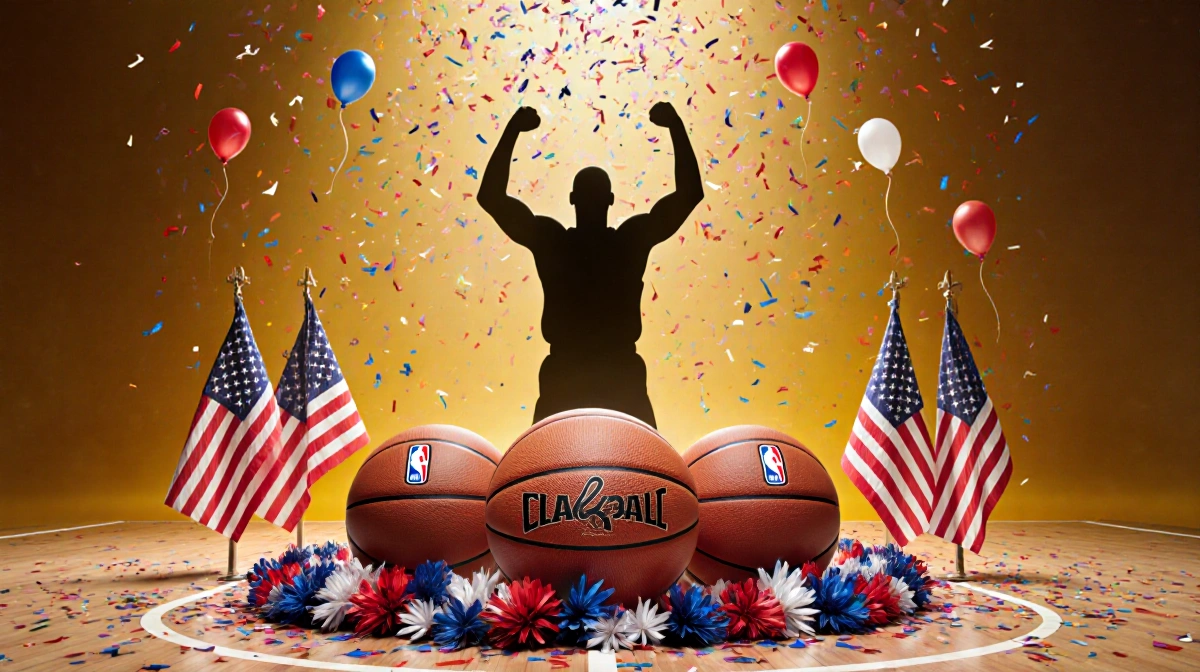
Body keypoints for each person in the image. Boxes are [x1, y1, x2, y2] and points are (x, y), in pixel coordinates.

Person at [478, 102, 703, 428]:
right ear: (611, 200)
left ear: (572, 199)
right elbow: (689, 194)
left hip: (576, 373)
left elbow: (491, 198)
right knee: (639, 469)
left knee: (549, 470)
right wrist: (675, 124)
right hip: (609, 373)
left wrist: (514, 126)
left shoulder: (553, 240)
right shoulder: (628, 241)